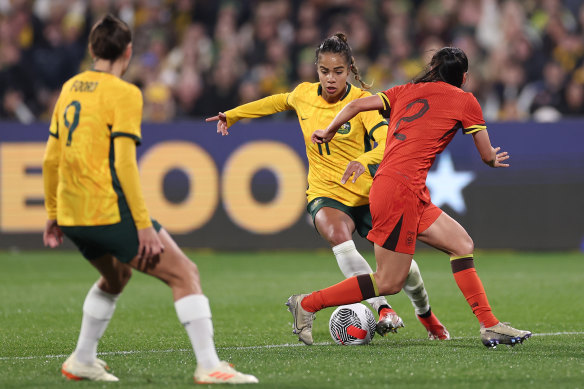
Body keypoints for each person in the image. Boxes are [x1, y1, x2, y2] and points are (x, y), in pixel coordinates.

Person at [42, 14, 257, 384]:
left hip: (72, 212)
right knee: (185, 274)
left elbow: (50, 157)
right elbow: (124, 164)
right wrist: (144, 226)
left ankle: (81, 359)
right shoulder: (125, 93)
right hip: (106, 210)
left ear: (93, 50)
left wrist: (52, 212)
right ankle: (209, 366)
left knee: (117, 276)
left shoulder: (70, 88)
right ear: (127, 53)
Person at [206, 33, 449, 343]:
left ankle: (425, 314)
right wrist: (234, 115)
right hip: (326, 193)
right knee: (338, 235)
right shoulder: (303, 95)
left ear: (349, 70)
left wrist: (363, 160)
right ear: (316, 69)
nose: (330, 78)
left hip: (368, 194)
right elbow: (274, 102)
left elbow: (387, 140)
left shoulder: (362, 102)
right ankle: (383, 309)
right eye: (324, 71)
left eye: (338, 71)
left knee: (405, 272)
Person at [287, 47, 532, 348]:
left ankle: (489, 325)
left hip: (402, 187)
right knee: (389, 282)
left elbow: (356, 106)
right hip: (400, 189)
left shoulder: (406, 90)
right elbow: (485, 155)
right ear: (464, 77)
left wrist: (328, 130)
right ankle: (308, 303)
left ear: (432, 68)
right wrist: (493, 158)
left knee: (461, 244)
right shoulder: (465, 100)